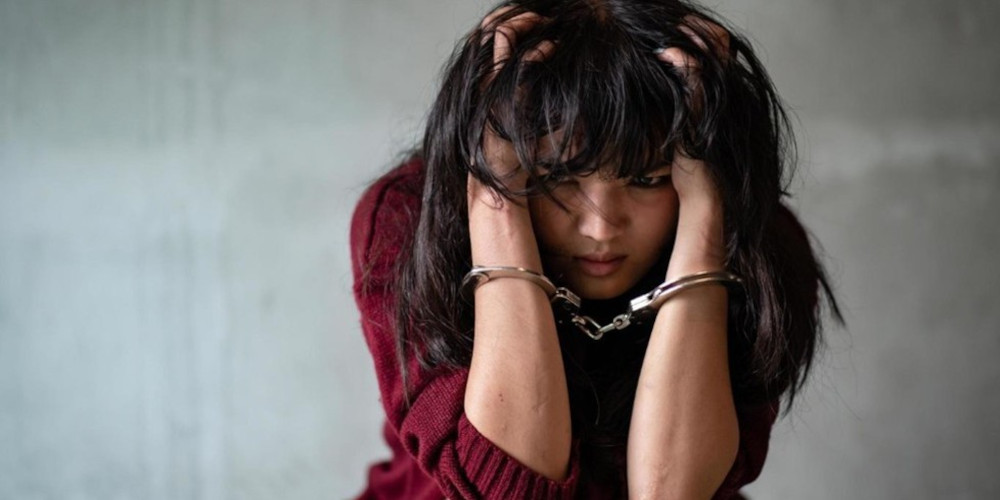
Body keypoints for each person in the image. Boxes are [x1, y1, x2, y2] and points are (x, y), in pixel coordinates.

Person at [350, 1, 841, 498]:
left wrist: (706, 216)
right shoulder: (411, 219)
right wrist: (496, 196)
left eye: (648, 179)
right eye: (556, 176)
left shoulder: (759, 245)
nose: (601, 227)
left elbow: (674, 493)